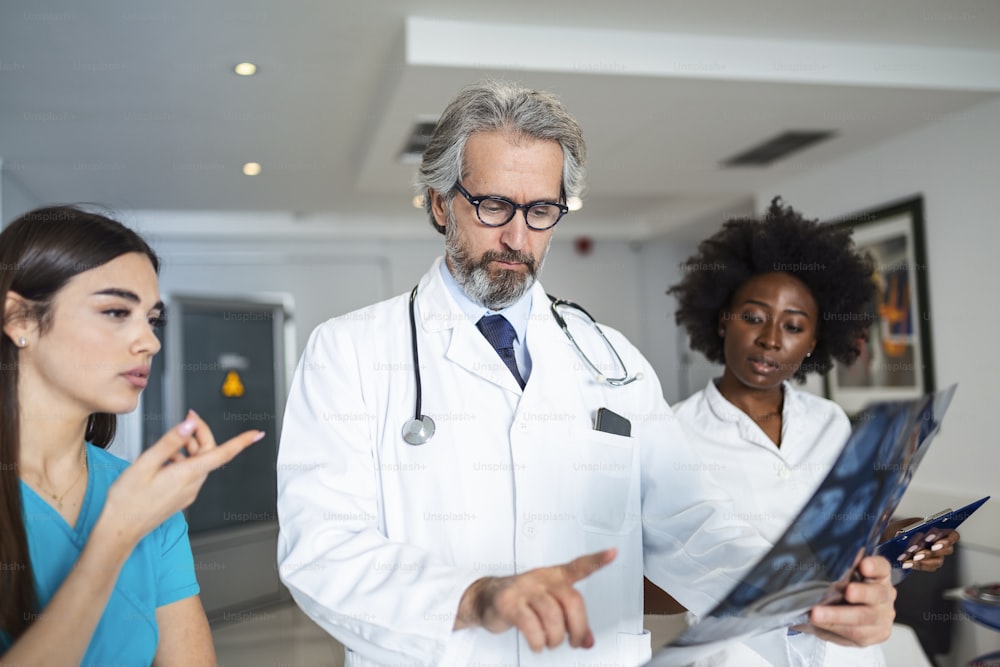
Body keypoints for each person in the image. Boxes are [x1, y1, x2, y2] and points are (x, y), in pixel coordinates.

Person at [276, 80, 897, 667]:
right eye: (493, 205)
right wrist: (474, 598)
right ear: (441, 204)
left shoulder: (614, 362)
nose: (517, 236)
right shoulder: (349, 353)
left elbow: (690, 524)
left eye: (542, 209)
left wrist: (801, 595)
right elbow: (322, 551)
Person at [665, 198, 958, 665]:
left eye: (794, 326)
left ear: (814, 342)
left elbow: (854, 534)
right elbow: (657, 575)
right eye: (754, 317)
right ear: (723, 318)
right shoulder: (672, 432)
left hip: (847, 652)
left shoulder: (830, 421)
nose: (772, 339)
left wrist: (907, 540)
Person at [0, 206, 262, 665]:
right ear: (20, 319)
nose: (150, 342)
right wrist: (118, 533)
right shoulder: (136, 506)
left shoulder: (147, 496)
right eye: (116, 311)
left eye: (152, 319)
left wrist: (137, 516)